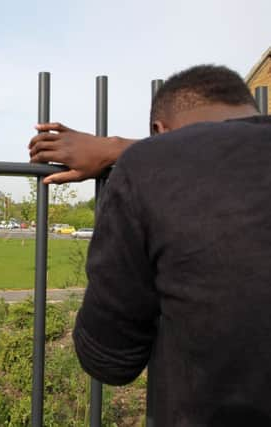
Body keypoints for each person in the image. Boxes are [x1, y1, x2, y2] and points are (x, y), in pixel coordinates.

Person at [31, 65, 271, 426]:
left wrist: (122, 152)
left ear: (159, 131)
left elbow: (109, 360)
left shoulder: (147, 166)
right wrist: (116, 147)